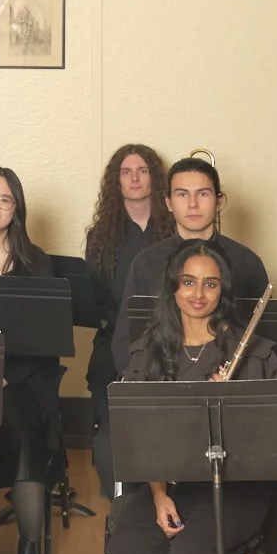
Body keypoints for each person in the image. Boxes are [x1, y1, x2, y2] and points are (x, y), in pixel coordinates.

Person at [106, 240, 277, 554]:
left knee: (188, 553)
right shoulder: (147, 353)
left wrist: (231, 408)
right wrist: (159, 496)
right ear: (173, 287)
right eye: (188, 282)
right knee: (126, 550)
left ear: (223, 291)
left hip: (236, 490)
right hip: (170, 485)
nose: (199, 294)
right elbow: (143, 440)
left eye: (211, 284)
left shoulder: (256, 355)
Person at [0, 167, 61, 554]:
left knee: (20, 422)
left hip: (21, 379)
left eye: (5, 199)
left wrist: (4, 378)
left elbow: (44, 341)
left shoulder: (36, 262)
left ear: (16, 209)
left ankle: (30, 545)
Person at [113, 156, 269, 380]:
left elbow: (264, 343)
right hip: (162, 382)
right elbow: (124, 345)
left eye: (203, 194)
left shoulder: (247, 262)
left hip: (232, 385)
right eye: (182, 194)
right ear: (169, 203)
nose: (193, 204)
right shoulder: (146, 263)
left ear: (219, 201)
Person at [82, 144, 172, 493]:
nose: (135, 178)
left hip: (170, 338)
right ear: (115, 182)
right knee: (107, 399)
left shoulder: (174, 231)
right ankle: (121, 497)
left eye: (142, 171)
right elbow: (97, 299)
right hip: (117, 339)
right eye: (126, 172)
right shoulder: (101, 236)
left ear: (155, 179)